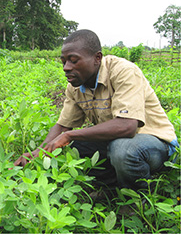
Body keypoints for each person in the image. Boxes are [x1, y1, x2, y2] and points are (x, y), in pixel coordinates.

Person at [14, 29, 179, 193]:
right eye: (63, 61)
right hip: (115, 142)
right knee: (70, 147)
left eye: (73, 60)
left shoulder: (123, 71)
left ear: (97, 58)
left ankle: (138, 196)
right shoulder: (76, 86)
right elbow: (63, 126)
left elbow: (127, 127)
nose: (66, 67)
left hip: (157, 145)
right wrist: (39, 152)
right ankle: (113, 188)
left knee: (122, 149)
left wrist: (69, 135)